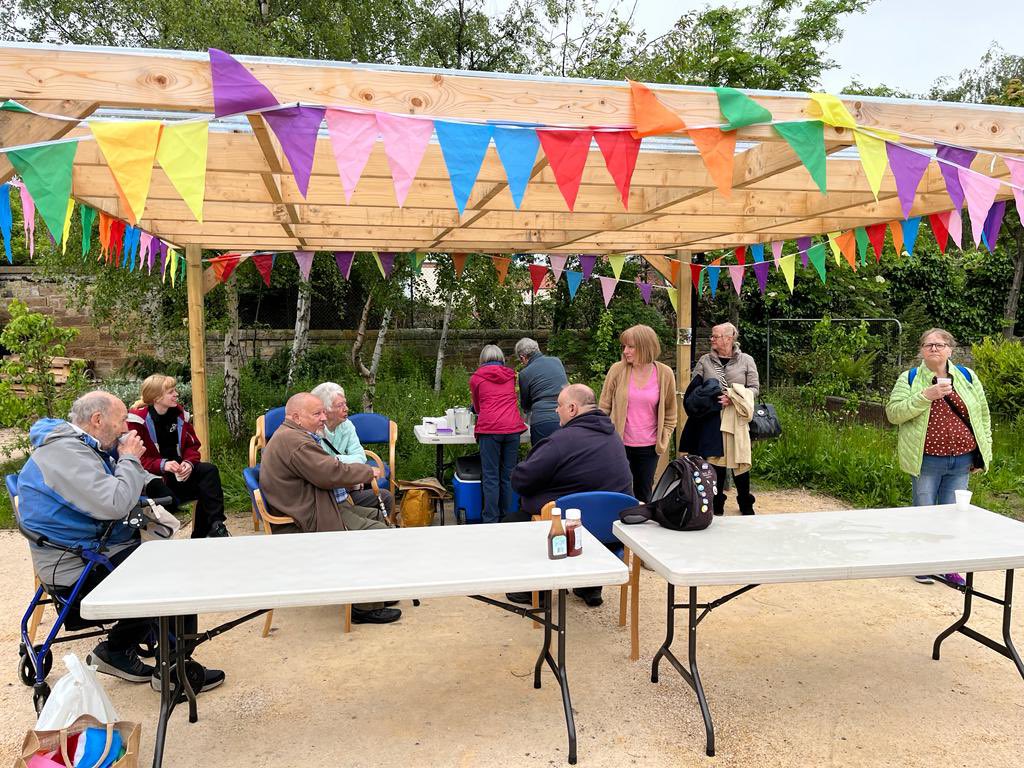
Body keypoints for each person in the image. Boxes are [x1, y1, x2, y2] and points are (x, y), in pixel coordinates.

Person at [17, 391, 224, 691]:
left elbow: (111, 479)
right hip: (78, 567)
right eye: (120, 421)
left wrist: (147, 478)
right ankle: (174, 670)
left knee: (164, 555)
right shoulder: (64, 454)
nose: (126, 429)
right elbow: (114, 502)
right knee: (178, 573)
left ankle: (116, 650)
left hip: (88, 550)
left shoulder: (80, 446)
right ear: (97, 420)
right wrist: (129, 458)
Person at [259, 392, 400, 624]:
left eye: (324, 411)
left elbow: (324, 471)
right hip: (306, 516)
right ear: (296, 417)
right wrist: (366, 471)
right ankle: (363, 608)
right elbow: (329, 473)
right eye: (317, 413)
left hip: (314, 503)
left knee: (376, 512)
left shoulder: (292, 435)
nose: (324, 417)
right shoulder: (295, 442)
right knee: (378, 534)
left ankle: (373, 593)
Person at [510, 383, 634, 607]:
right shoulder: (613, 436)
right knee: (588, 500)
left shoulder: (560, 441)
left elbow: (521, 480)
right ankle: (591, 586)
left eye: (559, 405)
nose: (556, 410)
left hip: (569, 533)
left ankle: (536, 591)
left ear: (573, 408)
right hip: (612, 532)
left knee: (515, 519)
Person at [886, 328, 992, 587]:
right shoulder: (909, 378)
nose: (934, 348)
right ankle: (923, 564)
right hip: (927, 460)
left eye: (940, 344)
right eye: (929, 344)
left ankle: (947, 567)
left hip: (962, 459)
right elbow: (894, 414)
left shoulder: (967, 377)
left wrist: (983, 453)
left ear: (950, 350)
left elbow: (982, 416)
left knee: (953, 515)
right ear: (921, 350)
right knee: (924, 512)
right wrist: (925, 396)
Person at [126, 374, 229, 538]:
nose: (176, 395)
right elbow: (135, 457)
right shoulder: (137, 422)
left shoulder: (180, 416)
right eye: (171, 392)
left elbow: (193, 445)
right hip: (154, 479)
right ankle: (166, 541)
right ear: (156, 397)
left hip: (180, 474)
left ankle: (216, 526)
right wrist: (163, 465)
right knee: (172, 501)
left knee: (209, 472)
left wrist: (189, 463)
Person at [687, 322, 761, 516]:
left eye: (716, 336)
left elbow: (755, 389)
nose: (712, 339)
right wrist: (710, 395)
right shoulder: (705, 360)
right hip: (712, 419)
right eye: (712, 336)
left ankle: (746, 503)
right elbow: (694, 388)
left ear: (729, 338)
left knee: (740, 461)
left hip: (737, 419)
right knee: (715, 461)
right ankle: (717, 503)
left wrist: (733, 396)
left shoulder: (746, 360)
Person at [599, 324, 678, 503]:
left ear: (645, 347)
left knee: (644, 495)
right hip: (618, 444)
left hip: (649, 448)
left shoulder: (664, 374)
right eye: (624, 346)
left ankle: (641, 529)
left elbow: (671, 413)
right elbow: (603, 408)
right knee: (617, 492)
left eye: (631, 346)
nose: (625, 351)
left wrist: (664, 436)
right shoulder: (617, 370)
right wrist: (604, 437)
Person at [310, 381, 394, 521]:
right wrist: (351, 474)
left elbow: (360, 457)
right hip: (328, 494)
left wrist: (339, 462)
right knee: (379, 501)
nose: (346, 408)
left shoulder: (347, 425)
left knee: (385, 497)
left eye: (345, 403)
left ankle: (369, 533)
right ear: (325, 410)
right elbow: (323, 468)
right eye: (340, 405)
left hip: (346, 485)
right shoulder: (314, 431)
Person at [470, 345, 527, 524]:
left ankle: (490, 520)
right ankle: (507, 517)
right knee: (508, 474)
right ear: (501, 358)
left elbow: (478, 407)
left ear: (482, 359)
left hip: (490, 429)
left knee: (491, 476)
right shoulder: (511, 376)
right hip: (512, 428)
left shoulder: (476, 378)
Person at [515, 337, 568, 444]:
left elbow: (526, 405)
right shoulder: (557, 361)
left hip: (542, 420)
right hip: (566, 416)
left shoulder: (524, 374)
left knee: (542, 457)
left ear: (523, 357)